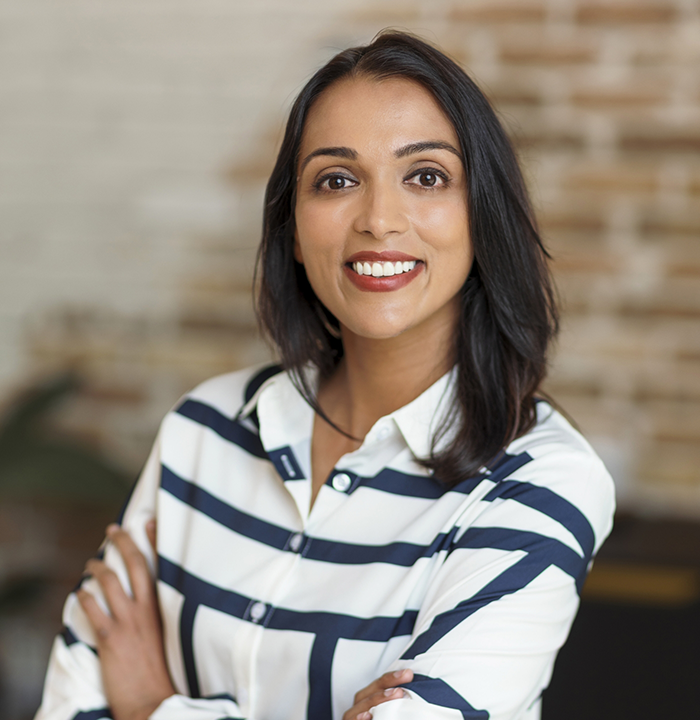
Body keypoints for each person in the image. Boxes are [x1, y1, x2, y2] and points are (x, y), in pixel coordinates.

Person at [34, 31, 615, 720]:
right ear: (294, 227)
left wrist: (156, 707)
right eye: (336, 180)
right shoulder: (205, 429)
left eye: (426, 175)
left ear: (482, 213)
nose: (377, 219)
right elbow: (74, 704)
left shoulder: (541, 481)